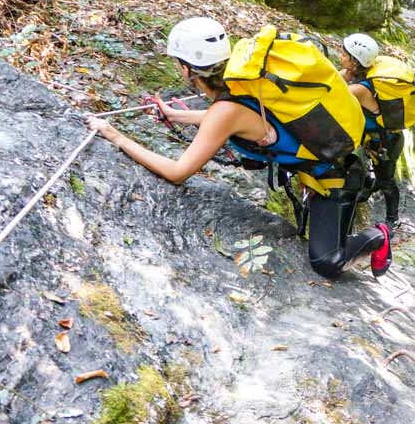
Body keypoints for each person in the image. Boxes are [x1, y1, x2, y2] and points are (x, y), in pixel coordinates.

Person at [88, 17, 392, 279]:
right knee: (323, 245)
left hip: (335, 180)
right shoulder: (243, 79)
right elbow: (233, 119)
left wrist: (115, 136)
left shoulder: (230, 101)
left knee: (327, 262)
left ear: (185, 68)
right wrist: (176, 114)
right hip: (325, 167)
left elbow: (178, 172)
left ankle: (379, 236)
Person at [339, 32, 403, 230]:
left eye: (344, 54)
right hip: (375, 140)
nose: (340, 56)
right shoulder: (359, 78)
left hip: (386, 142)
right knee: (375, 174)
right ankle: (367, 186)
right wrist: (345, 73)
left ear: (354, 61)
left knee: (386, 180)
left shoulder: (360, 89)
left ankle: (393, 219)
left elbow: (332, 94)